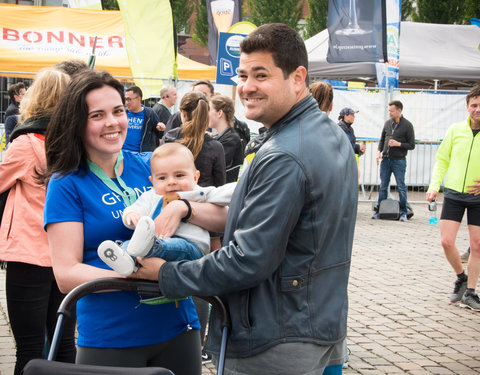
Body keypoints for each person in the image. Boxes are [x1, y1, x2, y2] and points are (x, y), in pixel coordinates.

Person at [133, 23, 358, 375]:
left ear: (297, 78)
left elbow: (247, 260)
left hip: (276, 338)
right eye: (242, 74)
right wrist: (188, 207)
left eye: (261, 75)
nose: (247, 87)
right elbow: (275, 222)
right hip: (317, 323)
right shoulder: (326, 132)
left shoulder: (284, 152)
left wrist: (167, 274)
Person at [43, 69, 210, 374]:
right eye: (97, 115)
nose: (112, 122)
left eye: (118, 111)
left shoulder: (152, 164)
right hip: (111, 336)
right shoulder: (66, 183)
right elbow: (66, 274)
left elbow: (209, 210)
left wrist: (184, 208)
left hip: (178, 326)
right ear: (77, 122)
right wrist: (146, 276)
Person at [0, 68, 75, 375]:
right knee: (65, 344)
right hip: (68, 256)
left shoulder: (25, 143)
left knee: (30, 349)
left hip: (28, 254)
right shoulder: (78, 144)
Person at [97, 143, 235, 276]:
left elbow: (225, 193)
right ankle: (125, 260)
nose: (171, 182)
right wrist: (131, 216)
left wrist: (246, 186)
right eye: (162, 178)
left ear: (195, 177)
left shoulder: (198, 193)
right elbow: (134, 209)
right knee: (130, 245)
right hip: (154, 245)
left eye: (179, 175)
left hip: (191, 248)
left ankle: (148, 247)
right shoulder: (151, 196)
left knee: (169, 245)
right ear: (152, 181)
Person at [426, 85, 480, 311]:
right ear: (467, 107)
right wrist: (433, 186)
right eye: (474, 105)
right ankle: (461, 277)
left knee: (477, 245)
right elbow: (442, 160)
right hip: (454, 194)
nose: (478, 109)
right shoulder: (455, 130)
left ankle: (470, 292)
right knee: (446, 242)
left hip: (478, 197)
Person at [163, 91, 226, 188]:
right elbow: (220, 186)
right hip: (202, 200)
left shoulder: (170, 138)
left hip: (172, 197)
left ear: (183, 113)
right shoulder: (215, 146)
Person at [373, 100, 415, 222]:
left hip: (399, 161)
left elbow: (412, 145)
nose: (390, 113)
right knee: (383, 186)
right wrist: (378, 151)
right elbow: (382, 139)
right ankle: (379, 211)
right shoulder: (387, 123)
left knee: (401, 187)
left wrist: (398, 144)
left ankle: (404, 212)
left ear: (399, 110)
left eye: (391, 111)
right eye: (389, 111)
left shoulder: (407, 125)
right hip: (386, 160)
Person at [209, 94, 244, 183]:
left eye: (209, 110)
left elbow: (212, 163)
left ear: (220, 113)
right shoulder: (224, 137)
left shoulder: (231, 139)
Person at [123, 85, 162, 152]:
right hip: (123, 154)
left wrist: (162, 128)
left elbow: (160, 134)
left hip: (141, 156)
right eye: (125, 99)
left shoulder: (149, 114)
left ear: (138, 99)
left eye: (129, 99)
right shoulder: (123, 113)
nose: (127, 102)